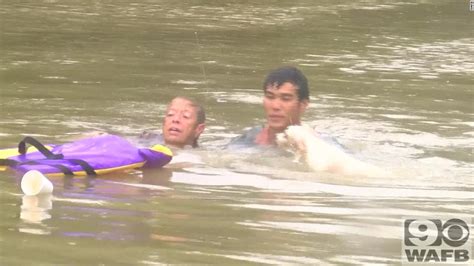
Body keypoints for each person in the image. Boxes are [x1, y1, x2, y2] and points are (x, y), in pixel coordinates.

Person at [230, 66, 309, 146]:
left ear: (303, 105)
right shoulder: (247, 141)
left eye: (285, 98)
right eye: (270, 97)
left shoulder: (316, 146)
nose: (275, 106)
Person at [139, 97, 206, 149]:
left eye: (185, 116)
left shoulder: (204, 159)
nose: (175, 119)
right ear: (164, 123)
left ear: (199, 129)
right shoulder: (144, 141)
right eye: (171, 114)